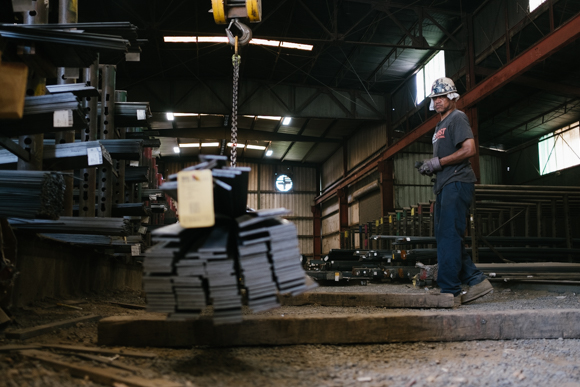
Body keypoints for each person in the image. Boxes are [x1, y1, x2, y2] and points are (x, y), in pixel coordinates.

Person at [417, 77, 493, 307]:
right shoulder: (440, 125)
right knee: (445, 237)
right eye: (434, 98)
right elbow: (445, 158)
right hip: (444, 185)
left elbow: (469, 149)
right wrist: (431, 167)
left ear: (451, 97)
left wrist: (438, 163)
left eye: (441, 97)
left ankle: (450, 291)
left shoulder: (457, 118)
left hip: (457, 182)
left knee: (449, 236)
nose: (437, 101)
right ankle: (475, 279)